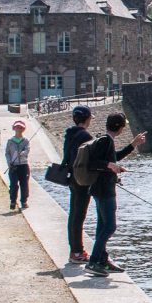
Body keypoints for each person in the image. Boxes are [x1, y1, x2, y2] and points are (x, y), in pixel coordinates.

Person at [84, 113, 146, 277]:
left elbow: (113, 158)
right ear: (119, 127)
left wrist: (133, 145)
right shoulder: (105, 140)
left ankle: (101, 260)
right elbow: (94, 163)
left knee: (101, 227)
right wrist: (111, 166)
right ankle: (93, 262)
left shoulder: (107, 140)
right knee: (110, 227)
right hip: (104, 191)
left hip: (100, 189)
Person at [62, 106, 95, 264]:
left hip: (71, 178)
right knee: (79, 216)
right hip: (82, 179)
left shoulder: (70, 134)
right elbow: (89, 159)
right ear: (87, 119)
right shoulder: (86, 136)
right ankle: (77, 251)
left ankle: (74, 250)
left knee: (73, 214)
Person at [5, 120, 31, 210]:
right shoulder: (10, 141)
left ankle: (24, 201)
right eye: (17, 127)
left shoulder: (26, 140)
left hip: (24, 165)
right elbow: (7, 153)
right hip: (13, 166)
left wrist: (22, 153)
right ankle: (13, 201)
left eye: (21, 127)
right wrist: (9, 163)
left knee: (24, 184)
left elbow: (27, 150)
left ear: (23, 129)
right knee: (13, 184)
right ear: (14, 128)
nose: (19, 129)